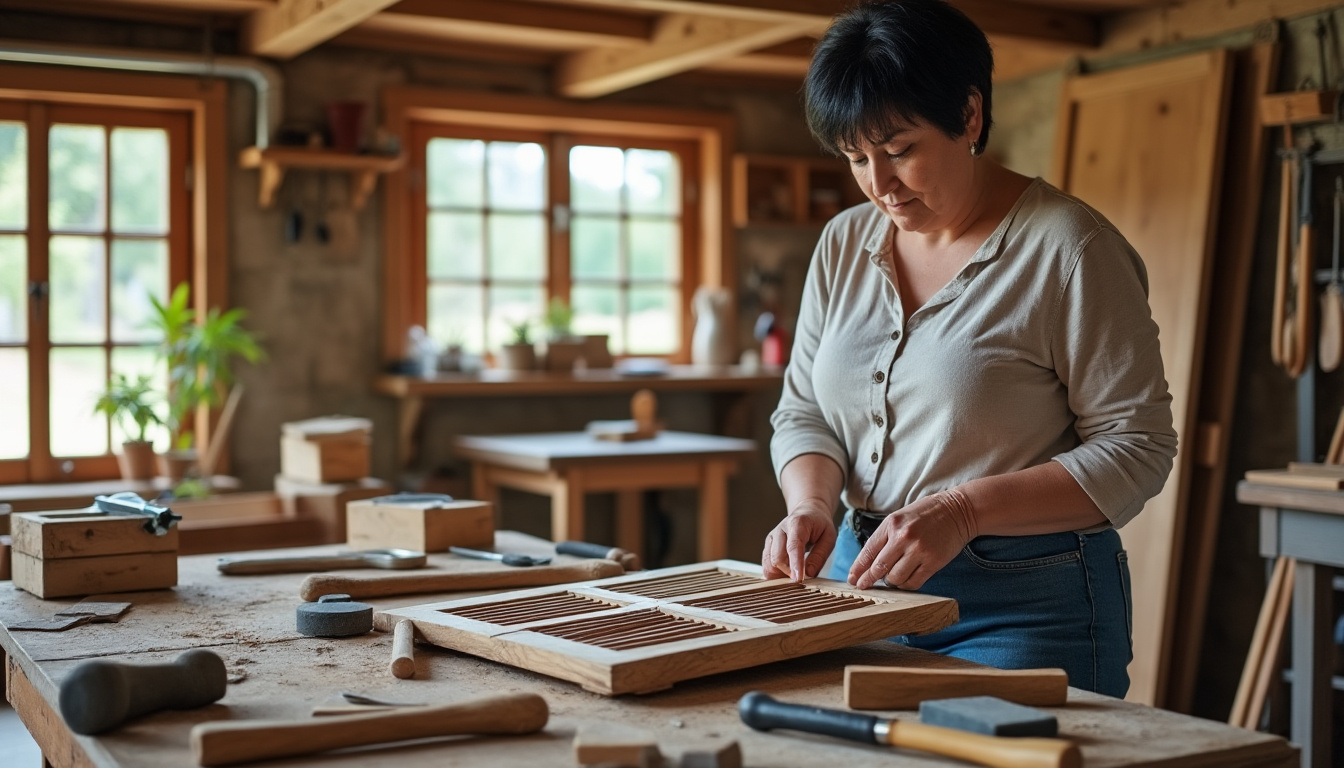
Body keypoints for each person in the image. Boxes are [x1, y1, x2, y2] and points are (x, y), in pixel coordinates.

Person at [761, 0, 1177, 698]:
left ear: (971, 116)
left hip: (1025, 605)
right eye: (856, 158)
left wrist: (963, 510)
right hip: (859, 585)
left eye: (899, 151)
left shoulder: (1071, 250)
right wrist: (811, 504)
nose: (878, 185)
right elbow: (804, 408)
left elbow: (1137, 446)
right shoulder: (843, 242)